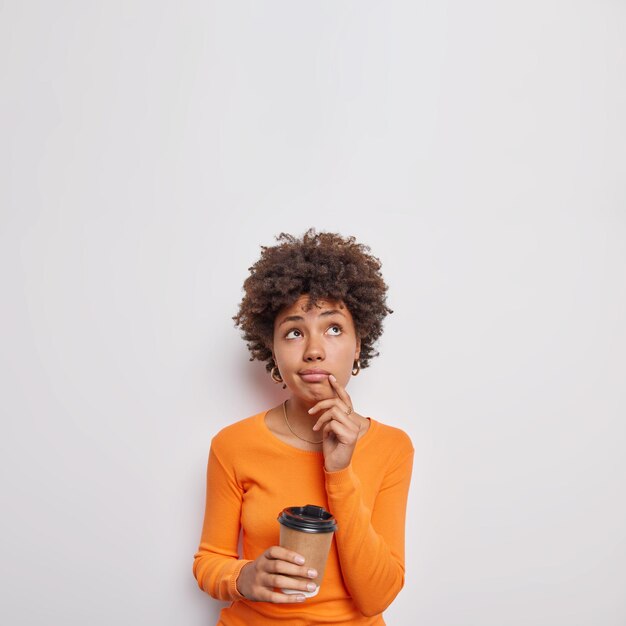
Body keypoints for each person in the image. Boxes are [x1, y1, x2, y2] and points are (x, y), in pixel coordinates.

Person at [193, 229, 414, 625]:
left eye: (333, 329)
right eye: (294, 332)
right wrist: (244, 576)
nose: (314, 350)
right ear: (272, 351)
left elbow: (376, 595)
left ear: (359, 344)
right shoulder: (233, 445)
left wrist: (340, 472)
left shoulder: (393, 448)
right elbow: (209, 561)